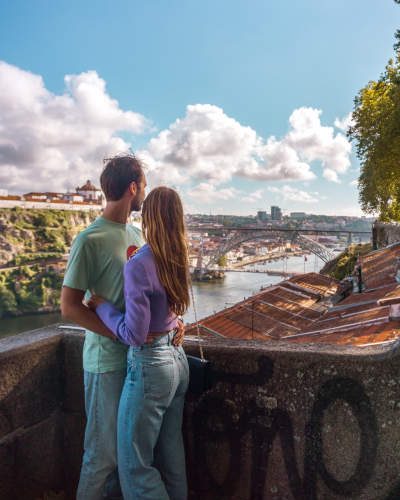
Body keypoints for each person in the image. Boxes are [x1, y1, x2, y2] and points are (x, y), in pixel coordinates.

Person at [61, 154, 185, 500]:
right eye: (143, 185)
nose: (144, 191)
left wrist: (172, 321)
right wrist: (123, 334)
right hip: (108, 362)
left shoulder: (136, 232)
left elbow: (153, 291)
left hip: (140, 360)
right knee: (102, 458)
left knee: (131, 460)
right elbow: (69, 307)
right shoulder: (89, 239)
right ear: (134, 188)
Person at [87, 186, 190, 500]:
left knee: (134, 466)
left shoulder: (139, 263)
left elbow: (134, 334)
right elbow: (167, 311)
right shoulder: (179, 255)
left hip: (151, 367)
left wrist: (102, 306)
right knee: (171, 455)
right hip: (178, 357)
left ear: (148, 217)